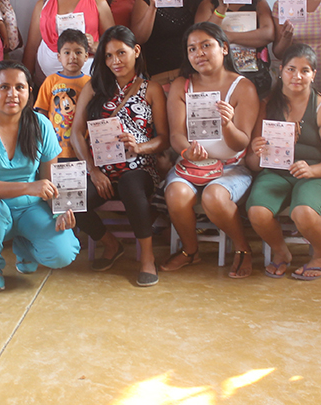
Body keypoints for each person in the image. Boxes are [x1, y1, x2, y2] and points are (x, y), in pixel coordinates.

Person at [0, 61, 80, 292]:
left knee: (63, 253)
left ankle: (24, 247)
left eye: (19, 87)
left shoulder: (41, 125)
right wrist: (28, 188)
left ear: (29, 91)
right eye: (4, 87)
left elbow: (50, 180)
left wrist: (61, 211)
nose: (12, 94)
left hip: (31, 208)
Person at [71, 26, 170, 286]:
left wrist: (140, 147)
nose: (115, 60)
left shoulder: (151, 89)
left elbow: (164, 139)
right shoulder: (94, 87)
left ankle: (147, 258)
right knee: (73, 199)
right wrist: (93, 170)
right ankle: (111, 244)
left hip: (138, 167)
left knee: (130, 184)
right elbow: (76, 134)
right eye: (108, 55)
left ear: (136, 51)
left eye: (121, 53)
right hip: (101, 170)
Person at [160, 22, 259, 278]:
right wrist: (186, 152)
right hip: (190, 165)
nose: (199, 53)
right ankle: (190, 251)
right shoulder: (182, 85)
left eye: (206, 45)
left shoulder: (243, 87)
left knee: (214, 197)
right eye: (192, 49)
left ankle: (243, 248)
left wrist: (227, 124)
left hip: (231, 168)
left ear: (224, 48)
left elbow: (241, 143)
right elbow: (176, 135)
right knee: (176, 194)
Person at [246, 43, 321, 279]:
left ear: (313, 75)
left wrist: (312, 170)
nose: (297, 76)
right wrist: (256, 152)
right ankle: (281, 252)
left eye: (304, 70)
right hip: (275, 173)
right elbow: (252, 164)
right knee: (257, 212)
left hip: (316, 175)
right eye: (291, 69)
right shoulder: (267, 104)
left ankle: (320, 256)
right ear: (281, 70)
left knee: (304, 212)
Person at [197, 0, 276, 97]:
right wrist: (221, 7)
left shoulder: (258, 2)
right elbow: (202, 37)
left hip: (255, 75)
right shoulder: (208, 4)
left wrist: (229, 37)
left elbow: (268, 34)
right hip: (219, 76)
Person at [130, 0, 207, 86]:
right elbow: (138, 38)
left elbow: (203, 36)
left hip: (191, 73)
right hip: (157, 75)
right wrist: (153, 6)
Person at [34, 29, 91, 160]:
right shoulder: (50, 81)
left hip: (82, 149)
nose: (73, 57)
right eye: (67, 52)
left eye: (78, 52)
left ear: (86, 56)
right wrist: (44, 140)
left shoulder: (90, 83)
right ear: (59, 57)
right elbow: (41, 113)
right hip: (55, 149)